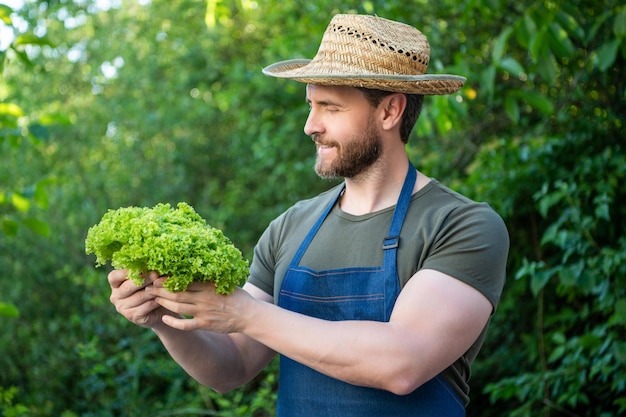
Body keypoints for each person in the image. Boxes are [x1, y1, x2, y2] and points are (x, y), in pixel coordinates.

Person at [108, 13, 509, 416]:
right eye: (311, 105)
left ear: (390, 111)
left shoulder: (461, 225)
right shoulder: (291, 228)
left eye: (330, 108)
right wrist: (163, 319)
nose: (310, 126)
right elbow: (232, 366)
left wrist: (246, 313)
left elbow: (402, 363)